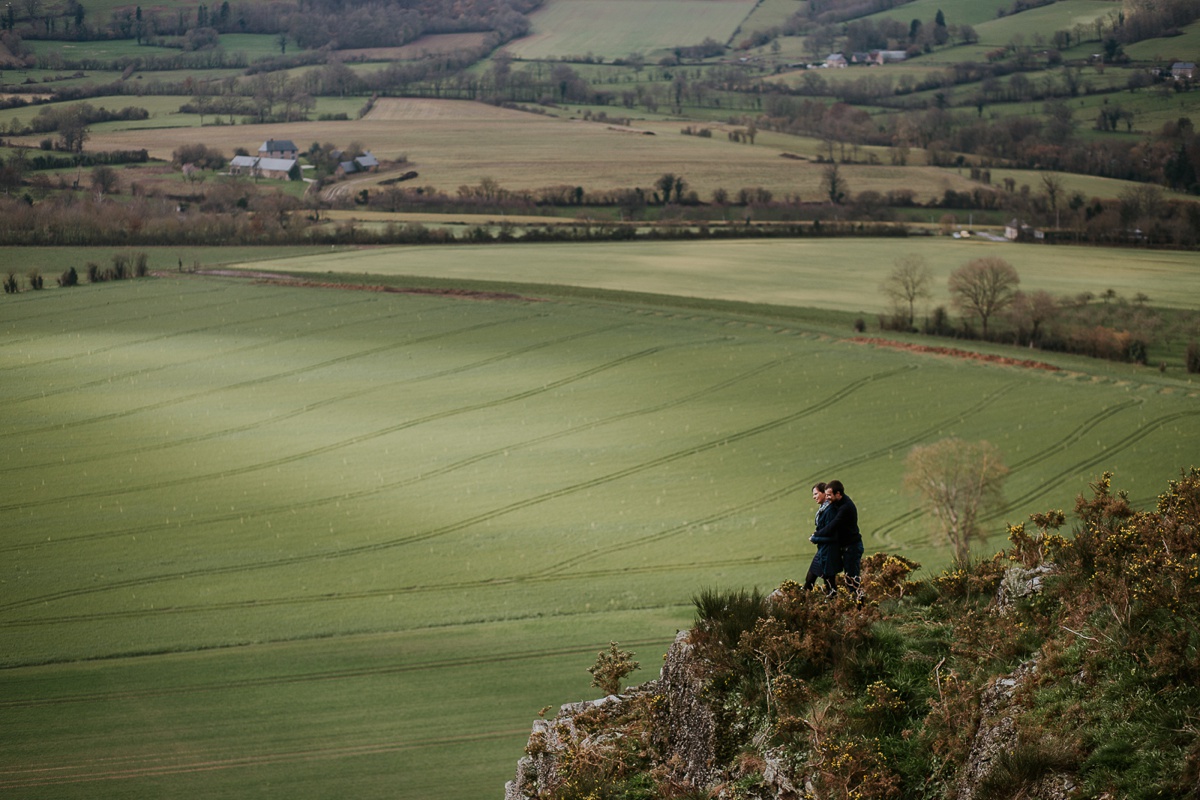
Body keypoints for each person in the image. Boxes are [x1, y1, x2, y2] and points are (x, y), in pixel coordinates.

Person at [811, 479, 863, 595]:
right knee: (849, 580)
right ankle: (857, 606)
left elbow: (832, 526)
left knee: (852, 581)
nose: (827, 497)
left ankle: (860, 608)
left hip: (852, 547)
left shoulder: (845, 508)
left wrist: (816, 535)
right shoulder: (838, 503)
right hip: (847, 547)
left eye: (829, 495)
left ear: (838, 494)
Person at [804, 482, 839, 595]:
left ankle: (833, 609)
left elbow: (834, 536)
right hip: (823, 551)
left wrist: (816, 538)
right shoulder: (824, 509)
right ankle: (803, 604)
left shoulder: (830, 511)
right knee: (810, 580)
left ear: (824, 493)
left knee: (829, 584)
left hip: (829, 552)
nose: (814, 497)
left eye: (816, 494)